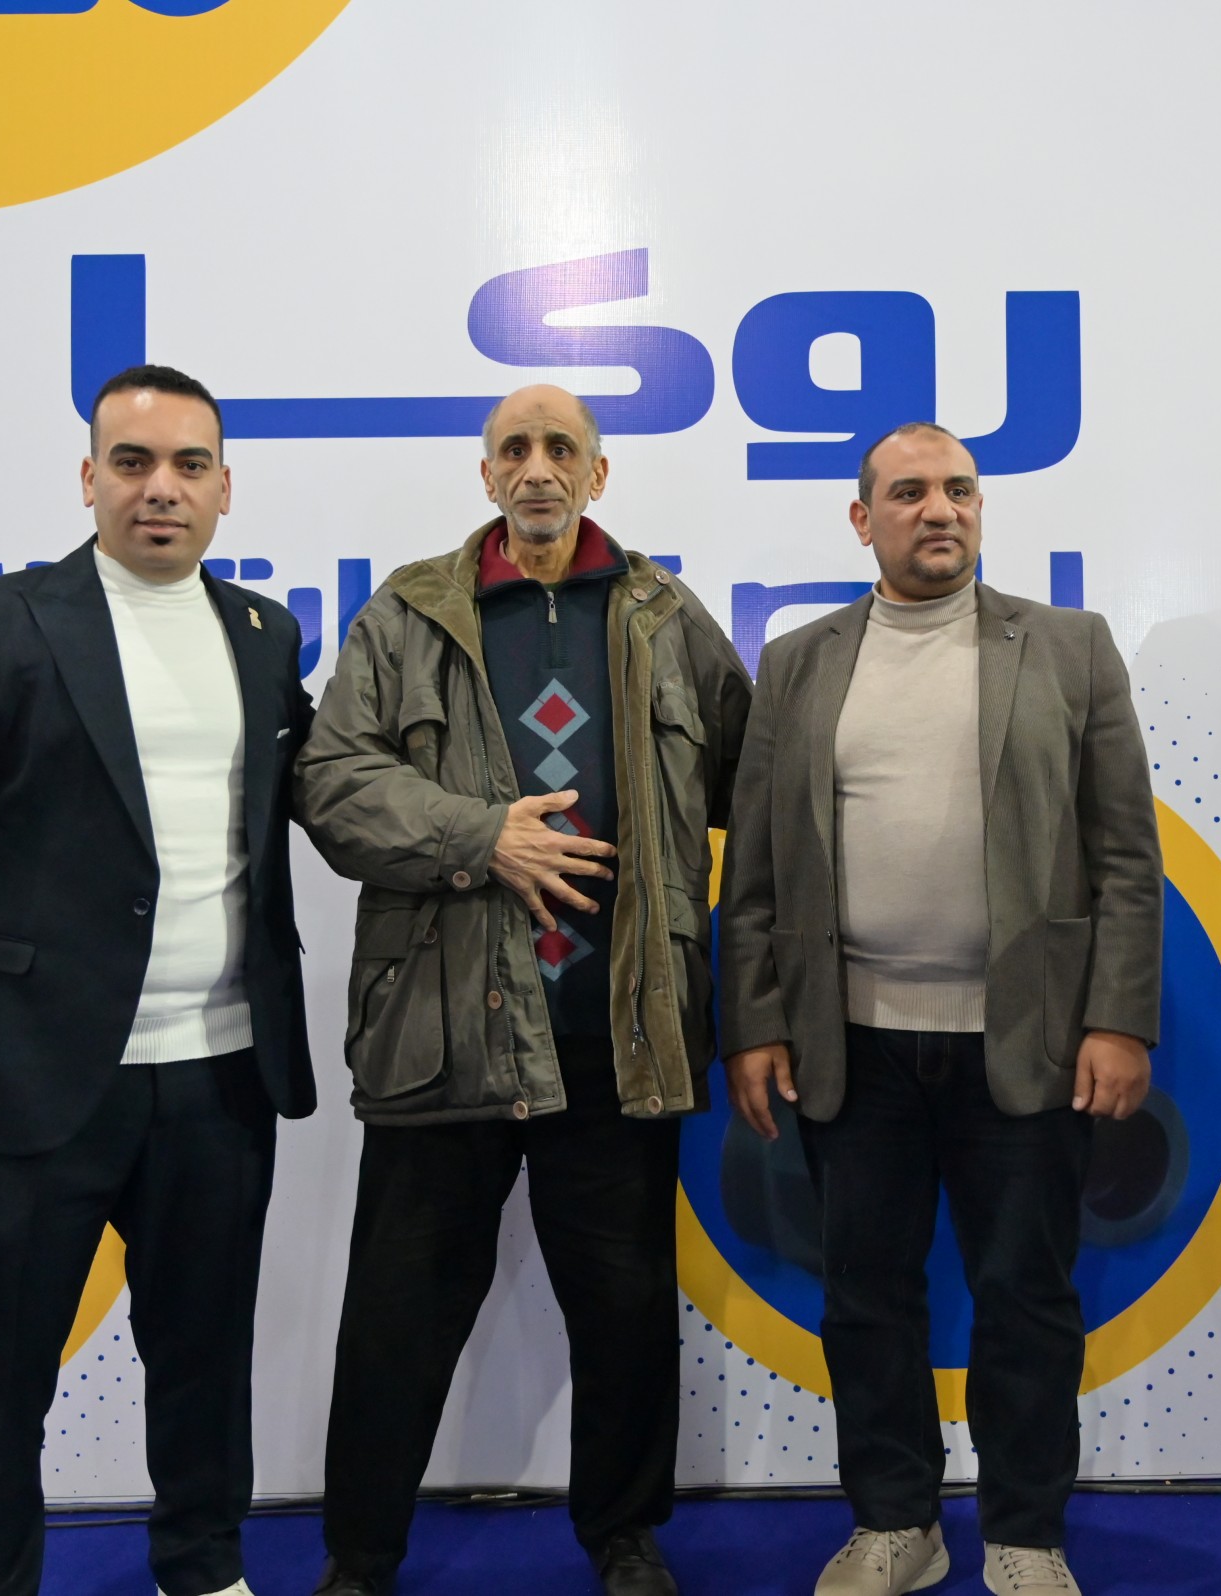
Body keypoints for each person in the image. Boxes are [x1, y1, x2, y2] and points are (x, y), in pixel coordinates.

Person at [293, 383, 751, 1596]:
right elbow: (332, 783)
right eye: (515, 449)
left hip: (620, 1033)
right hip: (444, 1030)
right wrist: (480, 834)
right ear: (485, 473)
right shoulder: (408, 614)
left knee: (625, 1311)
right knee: (398, 1314)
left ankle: (624, 1536)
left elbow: (752, 779)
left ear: (598, 474)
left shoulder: (666, 617)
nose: (537, 467)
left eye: (561, 448)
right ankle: (360, 1557)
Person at [0, 365, 318, 1596]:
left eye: (187, 466)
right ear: (89, 479)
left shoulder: (265, 635)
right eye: (132, 462)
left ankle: (203, 1567)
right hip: (28, 1074)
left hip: (222, 1070)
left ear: (224, 489)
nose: (159, 488)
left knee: (204, 1358)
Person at [719, 422, 1162, 1596]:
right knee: (866, 1297)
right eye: (909, 492)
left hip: (1026, 1043)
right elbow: (755, 868)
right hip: (850, 1044)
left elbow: (1126, 855)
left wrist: (1120, 1018)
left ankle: (1025, 1532)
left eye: (959, 489)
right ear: (861, 518)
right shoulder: (797, 663)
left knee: (1027, 1296)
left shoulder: (1068, 648)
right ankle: (896, 1524)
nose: (939, 510)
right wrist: (753, 1022)